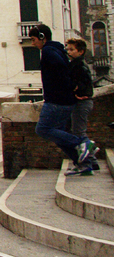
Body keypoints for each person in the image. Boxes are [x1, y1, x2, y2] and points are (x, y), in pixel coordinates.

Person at [30, 24, 96, 175]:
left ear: (42, 37)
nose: (33, 43)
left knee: (43, 129)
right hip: (65, 100)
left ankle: (83, 143)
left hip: (56, 100)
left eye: (34, 39)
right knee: (59, 135)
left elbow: (61, 69)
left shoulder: (48, 51)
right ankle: (84, 164)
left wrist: (70, 86)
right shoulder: (58, 49)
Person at [66, 38, 98, 174]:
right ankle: (92, 161)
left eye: (72, 49)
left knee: (78, 133)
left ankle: (86, 161)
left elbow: (83, 83)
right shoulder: (77, 64)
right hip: (82, 102)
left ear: (81, 51)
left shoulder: (79, 65)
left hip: (82, 103)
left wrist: (78, 92)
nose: (69, 52)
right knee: (76, 131)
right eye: (68, 49)